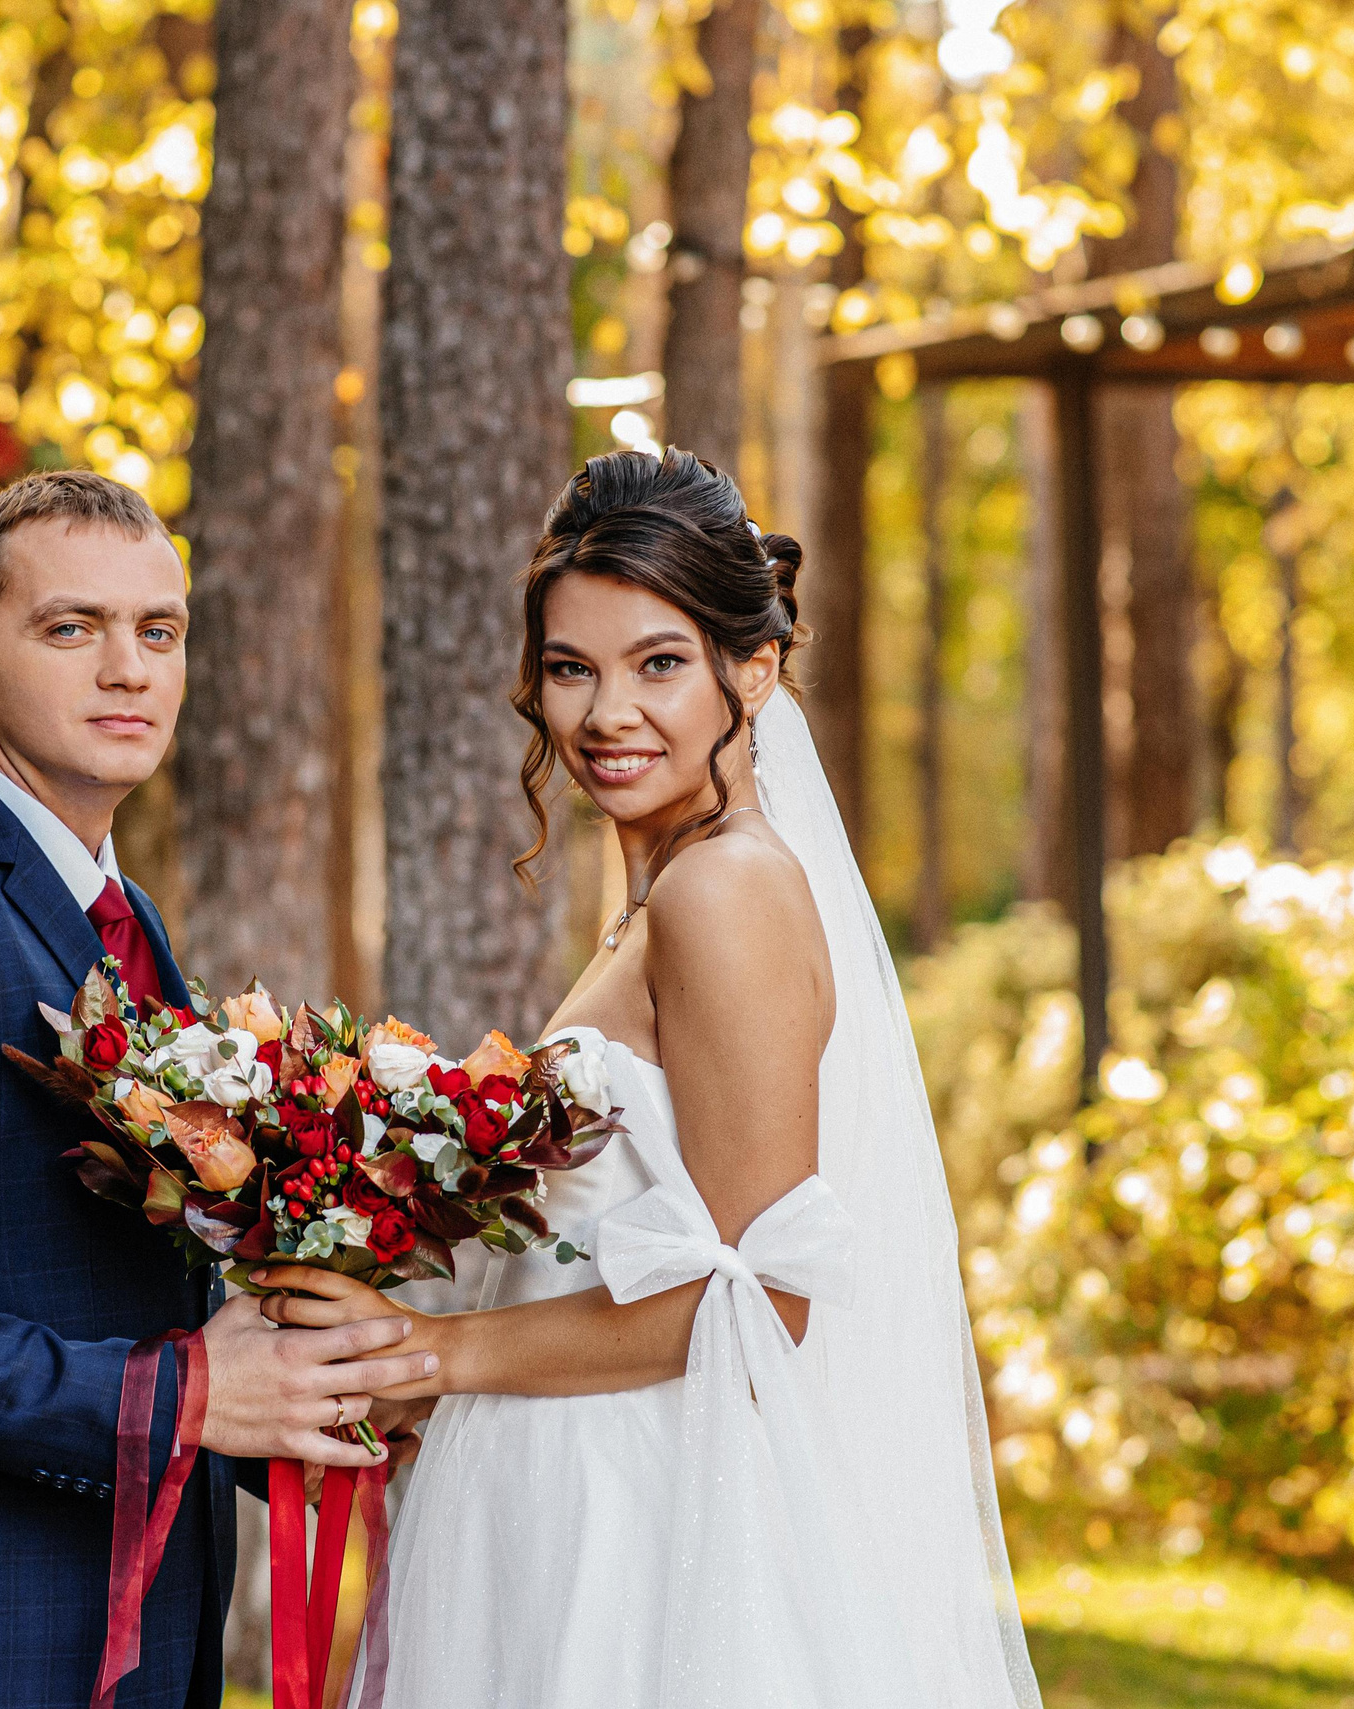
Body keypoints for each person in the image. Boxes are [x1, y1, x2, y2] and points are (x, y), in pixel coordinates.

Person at [262, 448, 1047, 1708]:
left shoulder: (724, 892)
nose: (606, 712)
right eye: (571, 667)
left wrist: (433, 1353)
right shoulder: (662, 895)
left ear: (756, 668)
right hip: (556, 1473)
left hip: (646, 1523)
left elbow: (756, 1306)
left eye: (658, 663)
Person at [0, 470, 435, 1709]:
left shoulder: (122, 919)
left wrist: (315, 1395)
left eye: (156, 631)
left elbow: (107, 1276)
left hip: (137, 1628)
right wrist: (185, 1391)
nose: (127, 668)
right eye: (71, 628)